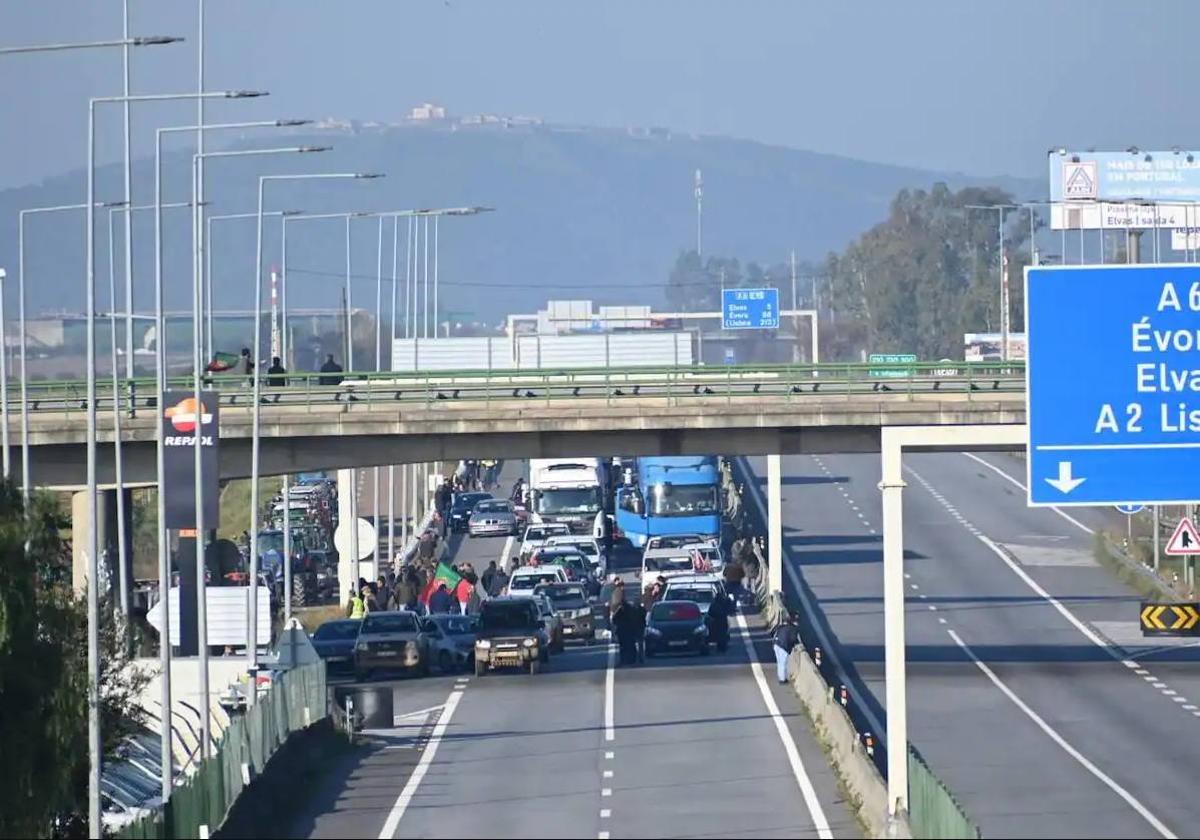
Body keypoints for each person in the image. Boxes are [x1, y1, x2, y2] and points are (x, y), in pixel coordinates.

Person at [773, 613, 800, 685]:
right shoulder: (793, 629)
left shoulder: (783, 626)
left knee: (779, 662)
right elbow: (793, 639)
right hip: (783, 646)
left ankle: (781, 677)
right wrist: (796, 644)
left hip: (776, 644)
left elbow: (774, 632)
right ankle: (782, 680)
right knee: (783, 663)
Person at [706, 589, 731, 653]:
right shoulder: (722, 604)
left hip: (717, 622)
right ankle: (722, 646)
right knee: (722, 635)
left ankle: (721, 646)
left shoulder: (714, 605)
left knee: (720, 635)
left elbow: (710, 613)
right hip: (720, 622)